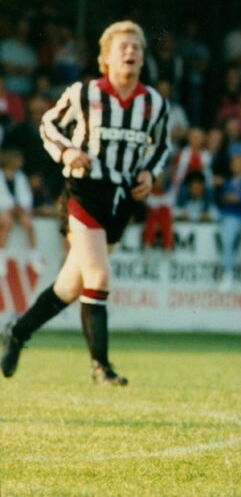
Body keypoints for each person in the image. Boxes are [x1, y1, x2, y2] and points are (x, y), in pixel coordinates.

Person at [1, 20, 170, 385]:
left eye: (137, 48)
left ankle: (18, 331)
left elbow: (162, 146)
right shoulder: (84, 93)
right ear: (105, 57)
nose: (131, 53)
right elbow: (49, 125)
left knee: (70, 285)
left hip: (122, 199)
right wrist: (68, 151)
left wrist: (149, 174)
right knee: (99, 275)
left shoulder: (154, 103)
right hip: (84, 191)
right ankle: (101, 367)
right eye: (123, 47)